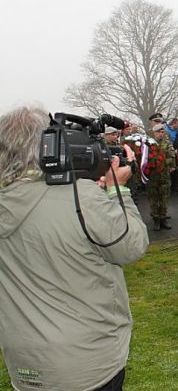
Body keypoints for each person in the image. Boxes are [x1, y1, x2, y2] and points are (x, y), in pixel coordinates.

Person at [0, 105, 148, 390]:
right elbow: (131, 246)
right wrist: (119, 191)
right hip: (88, 362)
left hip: (25, 361)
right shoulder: (81, 197)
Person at [148, 124, 177, 230]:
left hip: (164, 175)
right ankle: (156, 219)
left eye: (162, 132)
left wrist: (161, 162)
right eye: (158, 132)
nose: (161, 134)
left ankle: (163, 218)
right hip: (152, 175)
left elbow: (171, 156)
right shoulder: (149, 144)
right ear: (154, 133)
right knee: (154, 198)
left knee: (164, 197)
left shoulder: (167, 143)